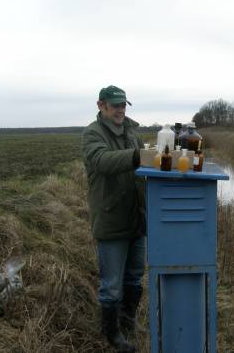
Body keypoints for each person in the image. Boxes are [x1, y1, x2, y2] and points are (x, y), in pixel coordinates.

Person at [81, 85, 146, 353]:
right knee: (111, 285)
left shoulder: (132, 133)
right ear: (101, 106)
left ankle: (127, 321)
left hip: (136, 217)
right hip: (111, 218)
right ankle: (112, 335)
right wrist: (136, 156)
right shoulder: (92, 134)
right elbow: (101, 160)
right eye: (115, 105)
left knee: (134, 275)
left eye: (123, 105)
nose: (120, 110)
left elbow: (143, 166)